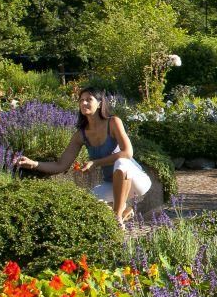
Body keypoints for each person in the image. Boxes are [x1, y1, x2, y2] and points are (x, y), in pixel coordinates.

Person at [13, 89, 151, 224]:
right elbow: (61, 165)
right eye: (81, 100)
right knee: (86, 203)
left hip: (136, 181)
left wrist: (95, 163)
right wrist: (34, 164)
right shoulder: (81, 135)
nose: (84, 103)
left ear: (100, 103)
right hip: (112, 185)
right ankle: (125, 210)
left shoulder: (113, 122)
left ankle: (118, 217)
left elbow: (127, 152)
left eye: (89, 99)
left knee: (122, 162)